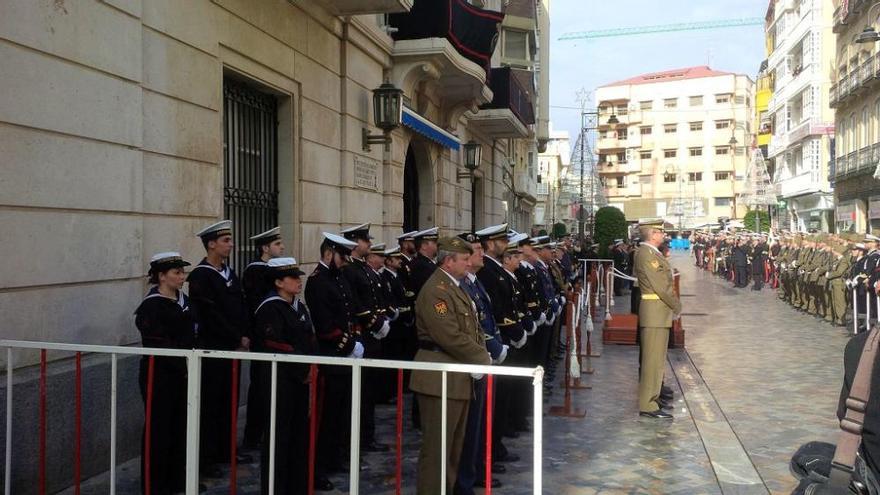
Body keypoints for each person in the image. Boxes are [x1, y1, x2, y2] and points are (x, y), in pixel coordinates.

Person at [410, 236, 492, 494]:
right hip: (439, 378)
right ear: (448, 261)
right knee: (438, 451)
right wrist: (481, 357)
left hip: (456, 377)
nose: (469, 263)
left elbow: (471, 329)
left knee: (454, 449)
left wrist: (479, 354)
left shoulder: (456, 287)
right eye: (464, 259)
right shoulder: (437, 290)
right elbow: (448, 334)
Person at [187, 220, 251, 476]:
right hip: (214, 347)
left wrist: (244, 333)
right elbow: (209, 315)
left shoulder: (229, 272)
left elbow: (240, 305)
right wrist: (236, 336)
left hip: (233, 347)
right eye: (226, 240)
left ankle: (226, 448)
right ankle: (208, 457)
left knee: (230, 400)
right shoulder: (201, 276)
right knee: (211, 404)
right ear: (211, 244)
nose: (231, 244)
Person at [134, 252, 196, 495]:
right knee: (159, 430)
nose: (182, 277)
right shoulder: (151, 306)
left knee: (180, 427)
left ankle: (177, 480)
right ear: (161, 276)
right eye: (176, 273)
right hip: (159, 374)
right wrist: (184, 365)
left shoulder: (183, 300)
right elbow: (158, 343)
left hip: (184, 372)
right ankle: (154, 485)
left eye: (182, 272)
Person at [304, 232, 363, 485]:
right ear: (328, 254)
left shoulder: (337, 278)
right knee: (324, 416)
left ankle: (334, 457)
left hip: (345, 355)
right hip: (331, 355)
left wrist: (355, 338)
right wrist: (347, 344)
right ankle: (317, 468)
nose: (345, 261)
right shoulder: (318, 281)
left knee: (340, 412)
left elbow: (349, 311)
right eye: (341, 256)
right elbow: (325, 324)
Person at [252, 257, 314, 495]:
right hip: (279, 380)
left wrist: (309, 365)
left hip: (300, 379)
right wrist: (303, 368)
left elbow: (308, 337)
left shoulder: (298, 305)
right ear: (278, 282)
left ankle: (296, 485)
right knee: (279, 436)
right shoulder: (269, 307)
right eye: (293, 278)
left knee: (299, 434)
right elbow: (274, 343)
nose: (299, 282)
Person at [455, 232, 507, 494]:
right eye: (475, 250)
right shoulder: (462, 285)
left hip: (486, 358)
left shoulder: (474, 282)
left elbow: (487, 317)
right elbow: (470, 327)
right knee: (472, 425)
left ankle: (477, 470)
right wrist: (491, 349)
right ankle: (467, 476)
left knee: (483, 421)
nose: (481, 254)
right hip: (476, 360)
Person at [339, 224, 392, 452]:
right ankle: (360, 439)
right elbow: (355, 303)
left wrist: (382, 320)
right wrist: (374, 323)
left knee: (368, 392)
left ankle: (367, 437)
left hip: (373, 336)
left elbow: (375, 298)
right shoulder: (350, 270)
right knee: (361, 394)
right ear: (354, 243)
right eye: (364, 240)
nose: (369, 244)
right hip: (363, 335)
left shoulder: (364, 268)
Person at [242, 226, 285, 451]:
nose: (282, 247)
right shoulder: (256, 271)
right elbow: (256, 306)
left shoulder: (273, 269)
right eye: (277, 244)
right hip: (261, 337)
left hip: (274, 337)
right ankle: (253, 435)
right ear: (265, 248)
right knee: (260, 386)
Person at [633, 219, 681, 420]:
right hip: (655, 312)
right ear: (652, 234)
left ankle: (654, 397)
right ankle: (648, 405)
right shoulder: (647, 254)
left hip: (657, 313)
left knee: (656, 360)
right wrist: (676, 305)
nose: (663, 236)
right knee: (652, 361)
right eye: (660, 232)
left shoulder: (651, 253)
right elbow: (661, 285)